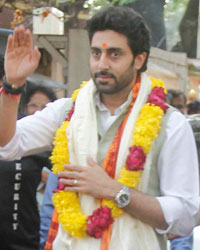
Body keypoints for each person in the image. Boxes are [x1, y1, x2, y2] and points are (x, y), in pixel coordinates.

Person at [0, 6, 199, 250]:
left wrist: (116, 192)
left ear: (139, 59)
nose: (102, 64)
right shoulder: (67, 112)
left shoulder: (170, 124)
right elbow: (8, 145)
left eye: (114, 55)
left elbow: (186, 214)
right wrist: (13, 85)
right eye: (96, 53)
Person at [0, 82, 56, 250]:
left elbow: (64, 174)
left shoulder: (30, 137)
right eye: (34, 105)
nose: (38, 110)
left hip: (22, 239)